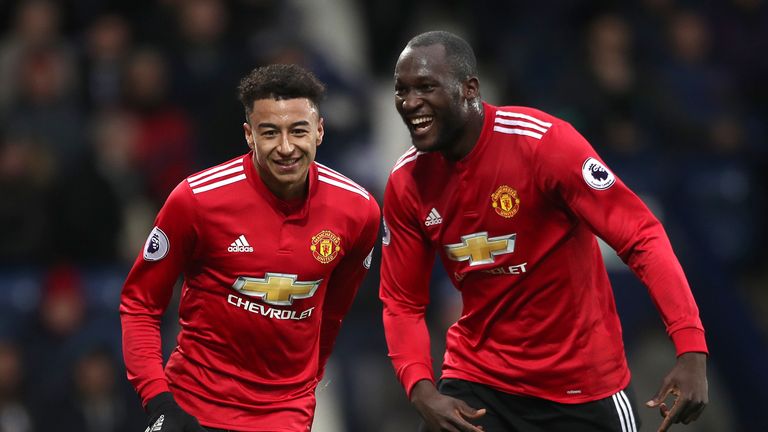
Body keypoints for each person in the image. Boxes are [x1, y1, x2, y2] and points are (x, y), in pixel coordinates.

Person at [380, 31, 708, 432]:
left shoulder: (543, 145)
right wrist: (420, 388)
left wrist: (691, 348)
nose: (410, 103)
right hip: (479, 382)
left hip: (582, 389)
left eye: (426, 87)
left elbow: (641, 236)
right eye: (401, 90)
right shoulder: (407, 181)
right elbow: (402, 302)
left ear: (470, 89)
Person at [120, 63, 380, 432]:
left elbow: (334, 312)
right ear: (249, 135)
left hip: (284, 416)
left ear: (319, 131)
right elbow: (139, 304)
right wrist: (158, 400)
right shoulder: (195, 200)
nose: (286, 147)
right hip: (192, 408)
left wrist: (304, 382)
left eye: (299, 130)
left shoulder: (359, 212)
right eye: (270, 132)